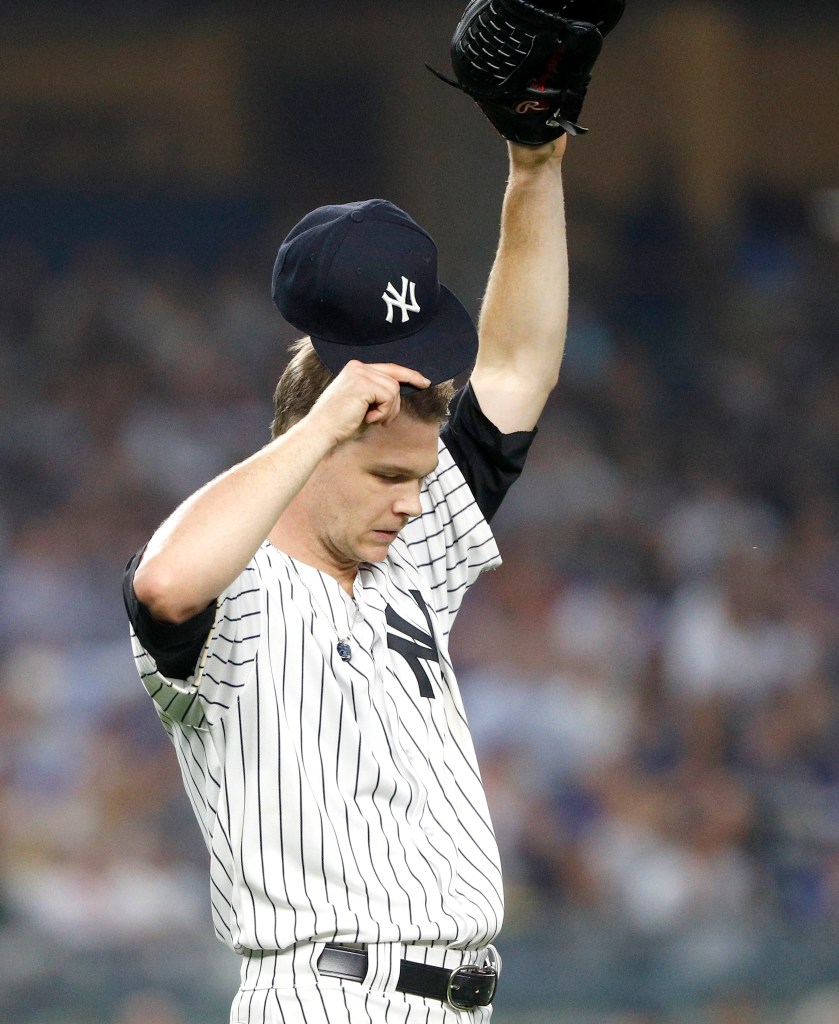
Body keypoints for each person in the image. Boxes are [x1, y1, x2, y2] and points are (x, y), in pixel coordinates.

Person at [123, 133, 569, 1024]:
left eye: (417, 477)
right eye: (387, 478)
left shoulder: (411, 550)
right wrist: (321, 426)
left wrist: (533, 170)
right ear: (316, 442)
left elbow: (516, 366)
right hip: (325, 995)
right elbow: (164, 587)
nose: (413, 502)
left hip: (458, 1000)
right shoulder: (232, 586)